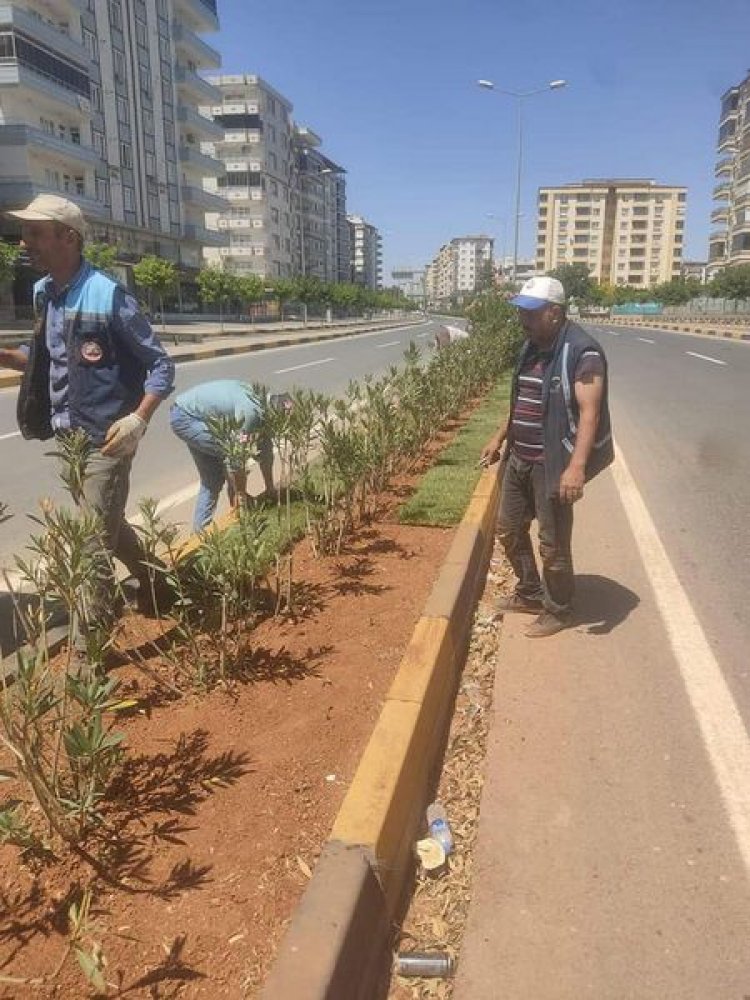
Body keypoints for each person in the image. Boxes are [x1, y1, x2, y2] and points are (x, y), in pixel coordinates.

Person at [0, 194, 175, 620]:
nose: (24, 243)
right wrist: (8, 355)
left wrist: (139, 418)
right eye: (24, 232)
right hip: (68, 436)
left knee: (92, 545)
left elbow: (161, 365)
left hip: (108, 437)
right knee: (105, 526)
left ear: (68, 237)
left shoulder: (109, 295)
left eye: (35, 233)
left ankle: (88, 659)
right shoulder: (45, 293)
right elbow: (50, 360)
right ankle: (158, 582)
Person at [480, 275, 613, 638]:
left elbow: (590, 413)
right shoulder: (531, 346)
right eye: (522, 312)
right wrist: (498, 437)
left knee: (552, 542)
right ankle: (530, 593)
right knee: (508, 528)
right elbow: (521, 398)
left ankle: (559, 609)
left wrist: (577, 467)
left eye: (532, 313)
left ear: (554, 313)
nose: (524, 319)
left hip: (551, 464)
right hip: (518, 459)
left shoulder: (582, 351)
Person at [169, 379, 284, 532]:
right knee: (230, 452)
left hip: (189, 413)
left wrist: (270, 488)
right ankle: (239, 509)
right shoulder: (251, 412)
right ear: (273, 414)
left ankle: (199, 533)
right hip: (187, 417)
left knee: (212, 479)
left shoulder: (263, 404)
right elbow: (235, 455)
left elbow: (266, 450)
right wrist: (241, 493)